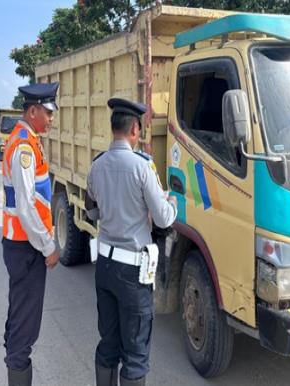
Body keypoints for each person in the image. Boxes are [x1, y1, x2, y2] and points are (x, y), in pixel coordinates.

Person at [86, 98, 178, 386]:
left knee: (108, 344)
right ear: (135, 129)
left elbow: (92, 211)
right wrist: (172, 202)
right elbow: (163, 219)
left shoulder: (97, 165)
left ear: (114, 128)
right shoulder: (142, 167)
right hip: (132, 273)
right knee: (136, 353)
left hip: (104, 266)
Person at [1, 82, 61, 386]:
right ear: (34, 110)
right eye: (48, 112)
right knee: (24, 330)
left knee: (19, 321)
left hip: (20, 247)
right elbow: (26, 207)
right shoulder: (24, 146)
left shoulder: (27, 139)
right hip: (25, 248)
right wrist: (48, 245)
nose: (52, 118)